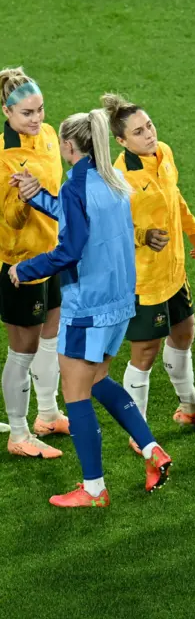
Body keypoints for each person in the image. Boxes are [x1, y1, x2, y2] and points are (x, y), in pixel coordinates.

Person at [9, 109, 172, 507]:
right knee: (98, 379)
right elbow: (83, 222)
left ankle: (94, 489)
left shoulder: (77, 186)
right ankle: (152, 450)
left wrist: (25, 269)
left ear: (68, 145)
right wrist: (38, 196)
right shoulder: (111, 179)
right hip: (120, 301)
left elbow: (70, 250)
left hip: (88, 305)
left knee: (76, 393)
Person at [102, 93, 195, 454]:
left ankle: (189, 406)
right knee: (145, 351)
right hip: (143, 280)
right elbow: (106, 231)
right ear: (121, 141)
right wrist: (142, 236)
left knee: (184, 332)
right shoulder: (119, 178)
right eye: (138, 132)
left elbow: (174, 195)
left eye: (148, 125)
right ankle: (139, 429)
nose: (149, 134)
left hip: (173, 271)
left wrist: (192, 229)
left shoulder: (163, 154)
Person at [0, 66, 69, 458]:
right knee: (21, 349)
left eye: (40, 109)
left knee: (50, 335)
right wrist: (25, 201)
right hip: (19, 263)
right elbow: (8, 222)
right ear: (7, 113)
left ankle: (47, 412)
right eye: (27, 113)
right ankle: (20, 434)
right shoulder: (5, 157)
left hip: (52, 254)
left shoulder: (46, 135)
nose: (37, 118)